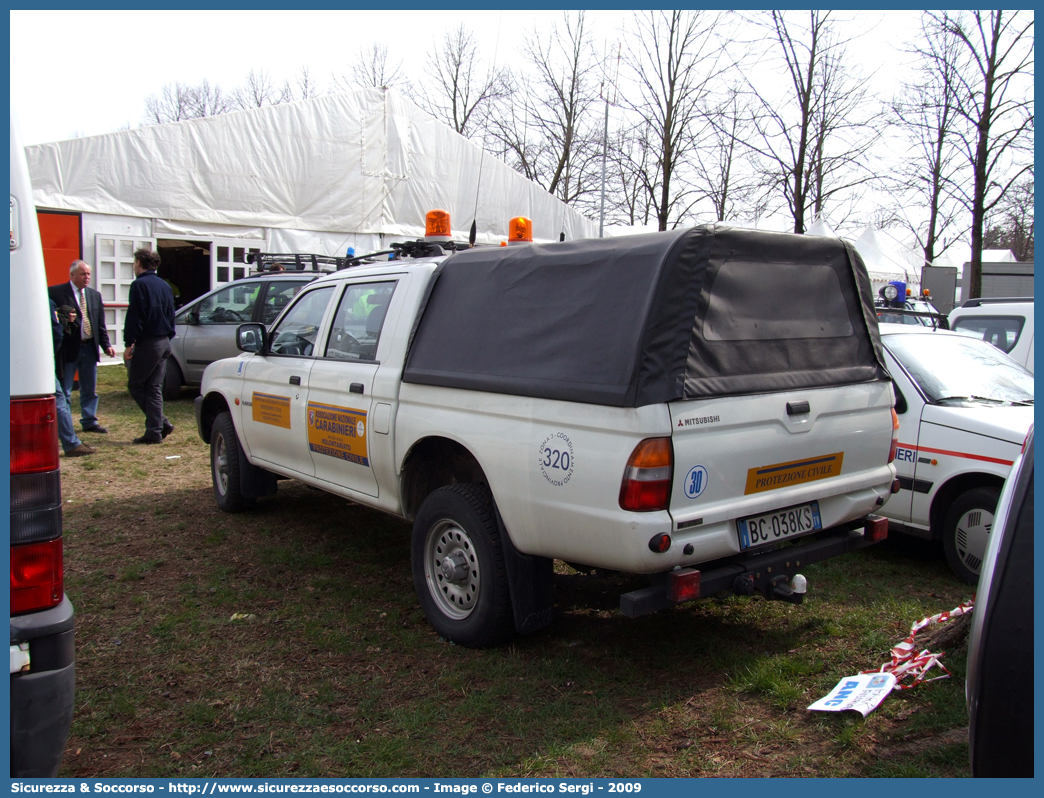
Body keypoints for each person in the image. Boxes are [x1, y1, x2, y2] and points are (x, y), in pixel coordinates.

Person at [48, 260, 115, 434]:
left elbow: (99, 323)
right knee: (66, 390)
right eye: (83, 274)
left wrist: (106, 345)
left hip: (89, 348)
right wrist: (64, 319)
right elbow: (51, 317)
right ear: (72, 275)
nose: (87, 277)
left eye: (88, 274)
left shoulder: (94, 295)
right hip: (69, 349)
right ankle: (65, 425)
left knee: (89, 388)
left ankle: (89, 420)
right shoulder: (56, 292)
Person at [122, 248, 176, 444]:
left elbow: (135, 316)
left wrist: (129, 343)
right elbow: (172, 314)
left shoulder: (139, 285)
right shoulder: (164, 285)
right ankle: (155, 429)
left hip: (149, 342)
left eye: (135, 263)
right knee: (153, 387)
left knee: (136, 384)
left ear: (139, 263)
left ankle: (160, 424)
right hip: (164, 341)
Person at [49, 299, 95, 457]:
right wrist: (49, 354)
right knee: (58, 399)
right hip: (35, 360)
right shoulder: (38, 298)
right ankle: (71, 444)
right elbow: (56, 331)